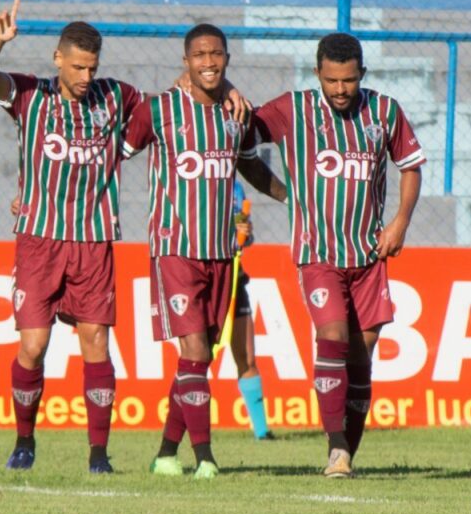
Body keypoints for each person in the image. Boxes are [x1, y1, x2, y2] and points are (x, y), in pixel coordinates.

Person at [0, 0, 142, 474]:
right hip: (39, 240)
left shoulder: (116, 96)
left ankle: (99, 455)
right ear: (58, 59)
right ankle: (24, 442)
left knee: (96, 341)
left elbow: (162, 109)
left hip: (93, 242)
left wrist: (219, 85)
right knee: (33, 345)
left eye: (92, 66)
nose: (86, 76)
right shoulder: (32, 96)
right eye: (78, 66)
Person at [250, 32, 425, 478]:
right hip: (318, 254)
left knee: (360, 360)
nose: (340, 90)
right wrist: (282, 193)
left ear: (361, 74)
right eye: (332, 81)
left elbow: (410, 166)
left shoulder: (383, 111)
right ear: (318, 75)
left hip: (368, 256)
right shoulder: (294, 109)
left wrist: (400, 221)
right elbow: (241, 142)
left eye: (348, 80)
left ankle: (349, 451)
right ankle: (336, 450)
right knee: (330, 338)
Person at [121, 23, 284, 479]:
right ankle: (206, 458)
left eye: (216, 54)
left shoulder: (237, 115)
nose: (208, 62)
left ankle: (166, 453)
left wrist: (294, 198)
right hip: (174, 249)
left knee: (200, 357)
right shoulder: (160, 111)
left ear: (227, 59)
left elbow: (251, 165)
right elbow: (114, 152)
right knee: (193, 348)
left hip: (221, 253)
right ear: (185, 62)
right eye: (200, 55)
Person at [228, 181, 275, 441]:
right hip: (205, 280)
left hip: (235, 278)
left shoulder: (237, 188)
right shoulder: (194, 178)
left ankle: (261, 431)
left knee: (247, 357)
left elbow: (244, 235)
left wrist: (245, 231)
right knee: (196, 358)